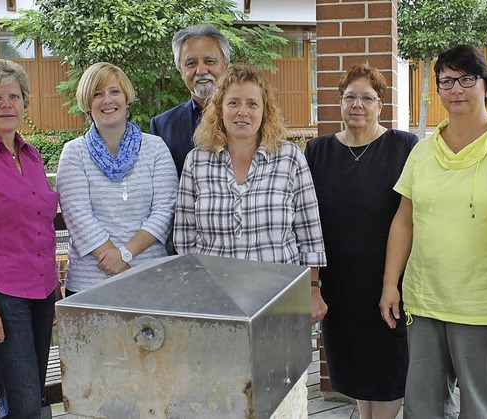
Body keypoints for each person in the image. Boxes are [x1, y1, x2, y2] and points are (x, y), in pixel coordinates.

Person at [379, 45, 487, 418]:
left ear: (486, 86)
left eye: (467, 79)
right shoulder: (423, 150)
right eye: (447, 81)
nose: (456, 89)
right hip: (425, 298)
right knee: (423, 405)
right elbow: (405, 219)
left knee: (482, 406)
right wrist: (391, 284)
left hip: (482, 305)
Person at [304, 62, 417, 419]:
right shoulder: (317, 151)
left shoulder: (404, 147)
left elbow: (412, 217)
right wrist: (314, 284)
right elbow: (306, 218)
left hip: (387, 281)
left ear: (380, 104)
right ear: (339, 102)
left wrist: (392, 283)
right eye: (349, 96)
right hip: (338, 283)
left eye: (367, 97)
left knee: (387, 369)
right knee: (355, 367)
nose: (357, 104)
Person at [174, 65, 327, 323]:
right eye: (233, 102)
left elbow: (309, 234)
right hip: (216, 302)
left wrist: (313, 290)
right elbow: (185, 238)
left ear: (264, 111)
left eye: (252, 104)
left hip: (279, 298)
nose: (242, 111)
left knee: (278, 364)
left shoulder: (289, 158)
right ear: (219, 109)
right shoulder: (196, 162)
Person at [0, 59, 58, 418]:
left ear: (24, 103)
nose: (6, 103)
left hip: (41, 292)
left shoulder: (31, 155)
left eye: (14, 96)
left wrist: (53, 284)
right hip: (0, 297)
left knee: (30, 398)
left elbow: (39, 223)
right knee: (21, 405)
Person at [56, 62, 177, 296]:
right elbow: (77, 215)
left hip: (150, 278)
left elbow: (165, 210)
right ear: (87, 103)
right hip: (89, 284)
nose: (107, 100)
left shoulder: (156, 148)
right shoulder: (74, 153)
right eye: (97, 94)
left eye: (114, 92)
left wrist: (125, 255)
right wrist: (114, 259)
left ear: (126, 98)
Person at [150, 24, 231, 177]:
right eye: (191, 63)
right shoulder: (162, 127)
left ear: (226, 65)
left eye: (209, 61)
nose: (201, 70)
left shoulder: (248, 117)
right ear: (181, 71)